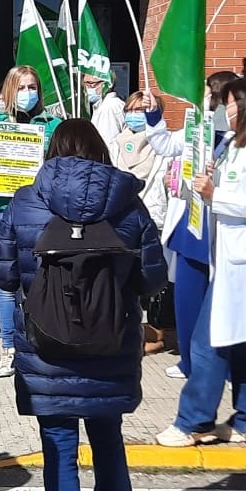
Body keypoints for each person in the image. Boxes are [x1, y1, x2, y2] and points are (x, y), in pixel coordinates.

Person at [0, 120, 166, 491]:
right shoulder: (128, 204)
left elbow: (5, 275)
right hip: (111, 347)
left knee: (60, 456)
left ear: (52, 152)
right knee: (109, 442)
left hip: (48, 351)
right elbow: (152, 278)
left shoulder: (26, 203)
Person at [159, 76, 246, 449]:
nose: (228, 109)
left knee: (209, 342)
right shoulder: (235, 144)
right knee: (245, 342)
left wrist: (215, 194)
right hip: (231, 261)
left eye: (233, 102)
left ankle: (194, 421)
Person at [0, 65, 61, 378]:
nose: (28, 94)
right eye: (22, 88)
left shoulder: (52, 125)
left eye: (33, 87)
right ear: (10, 91)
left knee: (42, 281)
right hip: (4, 212)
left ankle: (42, 343)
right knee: (7, 284)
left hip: (41, 214)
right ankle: (9, 347)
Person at [157, 70, 236, 381]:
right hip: (188, 223)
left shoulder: (237, 138)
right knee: (187, 299)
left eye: (205, 91)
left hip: (215, 225)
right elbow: (167, 146)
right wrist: (153, 115)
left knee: (218, 303)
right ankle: (189, 361)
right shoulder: (196, 127)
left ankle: (221, 365)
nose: (200, 96)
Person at [111, 90, 180, 355]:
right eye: (130, 109)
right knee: (127, 278)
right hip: (124, 218)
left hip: (156, 218)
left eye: (141, 110)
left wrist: (170, 185)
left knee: (155, 279)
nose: (133, 115)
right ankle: (132, 331)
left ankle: (159, 331)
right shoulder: (117, 143)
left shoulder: (167, 146)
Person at [84, 73, 128, 148]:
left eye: (90, 83)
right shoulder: (106, 105)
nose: (87, 88)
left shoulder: (108, 108)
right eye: (85, 83)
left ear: (106, 84)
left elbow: (107, 143)